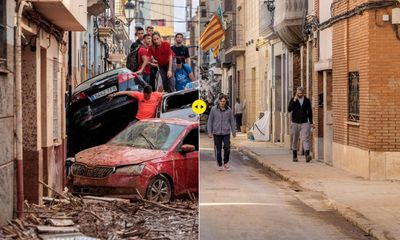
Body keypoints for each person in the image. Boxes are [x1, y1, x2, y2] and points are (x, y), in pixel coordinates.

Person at [207, 94, 236, 171]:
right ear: (219, 101)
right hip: (216, 133)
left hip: (226, 132)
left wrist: (233, 131)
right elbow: (210, 121)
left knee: (227, 147)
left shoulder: (229, 110)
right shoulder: (213, 109)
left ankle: (226, 162)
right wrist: (209, 132)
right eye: (221, 101)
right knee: (218, 149)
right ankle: (219, 164)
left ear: (225, 102)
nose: (223, 103)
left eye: (224, 101)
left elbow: (232, 121)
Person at [288, 86, 314, 162]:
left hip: (304, 122)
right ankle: (295, 156)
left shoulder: (307, 100)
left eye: (301, 93)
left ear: (303, 93)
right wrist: (294, 101)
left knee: (305, 138)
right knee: (295, 139)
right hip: (295, 122)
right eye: (298, 93)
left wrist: (311, 122)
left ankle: (307, 156)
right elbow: (289, 109)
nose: (300, 94)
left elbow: (310, 112)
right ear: (297, 93)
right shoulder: (293, 100)